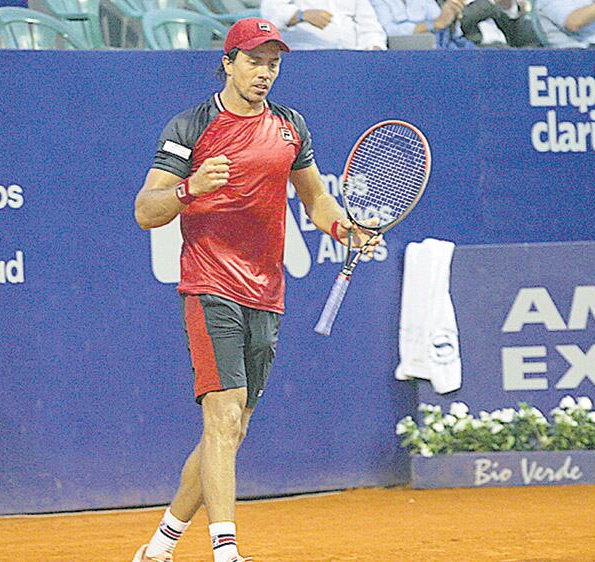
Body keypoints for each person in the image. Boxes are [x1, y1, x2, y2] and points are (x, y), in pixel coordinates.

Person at [131, 17, 377, 562]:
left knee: (233, 428)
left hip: (266, 293)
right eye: (253, 61)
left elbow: (315, 200)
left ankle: (159, 545)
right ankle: (226, 552)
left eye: (273, 63)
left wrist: (345, 229)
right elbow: (147, 210)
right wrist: (190, 187)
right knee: (222, 416)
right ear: (228, 62)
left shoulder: (291, 127)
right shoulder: (191, 126)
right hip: (208, 283)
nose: (264, 73)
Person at [260, 0, 387, 50]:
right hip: (305, 57)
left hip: (350, 59)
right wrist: (301, 15)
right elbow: (269, 12)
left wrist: (375, 47)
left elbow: (370, 25)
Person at [369, 0, 477, 49]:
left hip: (438, 48)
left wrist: (451, 12)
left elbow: (441, 21)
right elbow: (387, 30)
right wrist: (433, 25)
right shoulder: (377, 1)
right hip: (402, 53)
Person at [460, 0, 541, 47]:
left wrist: (508, 6)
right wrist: (491, 2)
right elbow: (464, 20)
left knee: (534, 30)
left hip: (510, 44)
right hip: (475, 50)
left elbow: (512, 20)